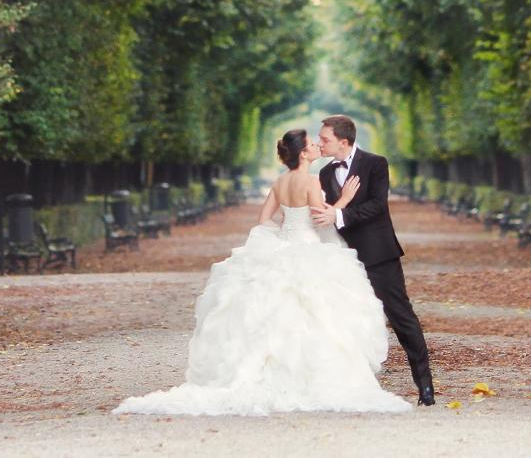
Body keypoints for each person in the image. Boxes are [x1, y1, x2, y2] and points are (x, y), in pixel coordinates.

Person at [113, 129, 411, 416]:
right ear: (303, 154)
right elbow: (322, 218)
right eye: (311, 144)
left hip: (285, 243)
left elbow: (263, 219)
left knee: (275, 314)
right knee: (316, 312)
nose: (317, 146)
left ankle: (274, 372)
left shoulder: (280, 182)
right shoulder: (310, 181)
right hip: (309, 248)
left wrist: (283, 235)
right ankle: (305, 374)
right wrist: (344, 200)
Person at [312, 114, 435, 406]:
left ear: (343, 141)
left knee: (401, 316)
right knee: (340, 319)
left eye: (325, 139)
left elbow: (378, 206)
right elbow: (326, 213)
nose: (320, 143)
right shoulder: (325, 173)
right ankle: (349, 386)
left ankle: (425, 385)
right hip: (342, 257)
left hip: (378, 254)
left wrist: (339, 214)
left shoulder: (376, 163)